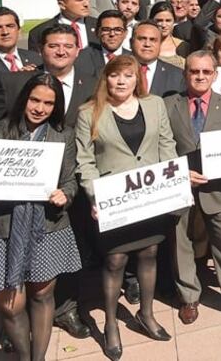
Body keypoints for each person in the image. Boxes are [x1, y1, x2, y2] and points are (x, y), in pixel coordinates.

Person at [0, 74, 81, 361]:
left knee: (42, 296)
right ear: (24, 99)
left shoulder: (63, 134)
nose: (40, 108)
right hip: (2, 226)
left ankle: (38, 358)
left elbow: (71, 180)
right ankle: (24, 356)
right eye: (35, 100)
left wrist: (65, 194)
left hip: (47, 225)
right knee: (10, 306)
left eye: (49, 103)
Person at [75, 56, 176, 358]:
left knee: (149, 253)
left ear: (137, 79)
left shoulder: (155, 104)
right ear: (105, 79)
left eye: (128, 76)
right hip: (114, 201)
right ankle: (110, 325)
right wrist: (96, 198)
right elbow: (85, 161)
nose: (121, 81)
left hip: (150, 196)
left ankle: (146, 314)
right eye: (115, 75)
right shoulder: (88, 112)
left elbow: (166, 144)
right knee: (115, 261)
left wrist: (170, 185)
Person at [164, 52, 221, 327]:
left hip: (217, 190)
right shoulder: (169, 105)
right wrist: (182, 173)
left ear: (215, 75)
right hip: (179, 188)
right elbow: (161, 147)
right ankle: (189, 297)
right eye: (195, 72)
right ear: (186, 74)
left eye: (206, 72)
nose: (200, 76)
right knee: (180, 245)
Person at [28, 0, 97, 53]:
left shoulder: (98, 26)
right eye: (80, 0)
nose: (86, 4)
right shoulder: (39, 32)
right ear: (62, 5)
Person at [148, 1, 188, 68]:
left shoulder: (184, 47)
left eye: (168, 20)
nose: (164, 25)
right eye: (159, 20)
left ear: (174, 21)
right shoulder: (146, 45)